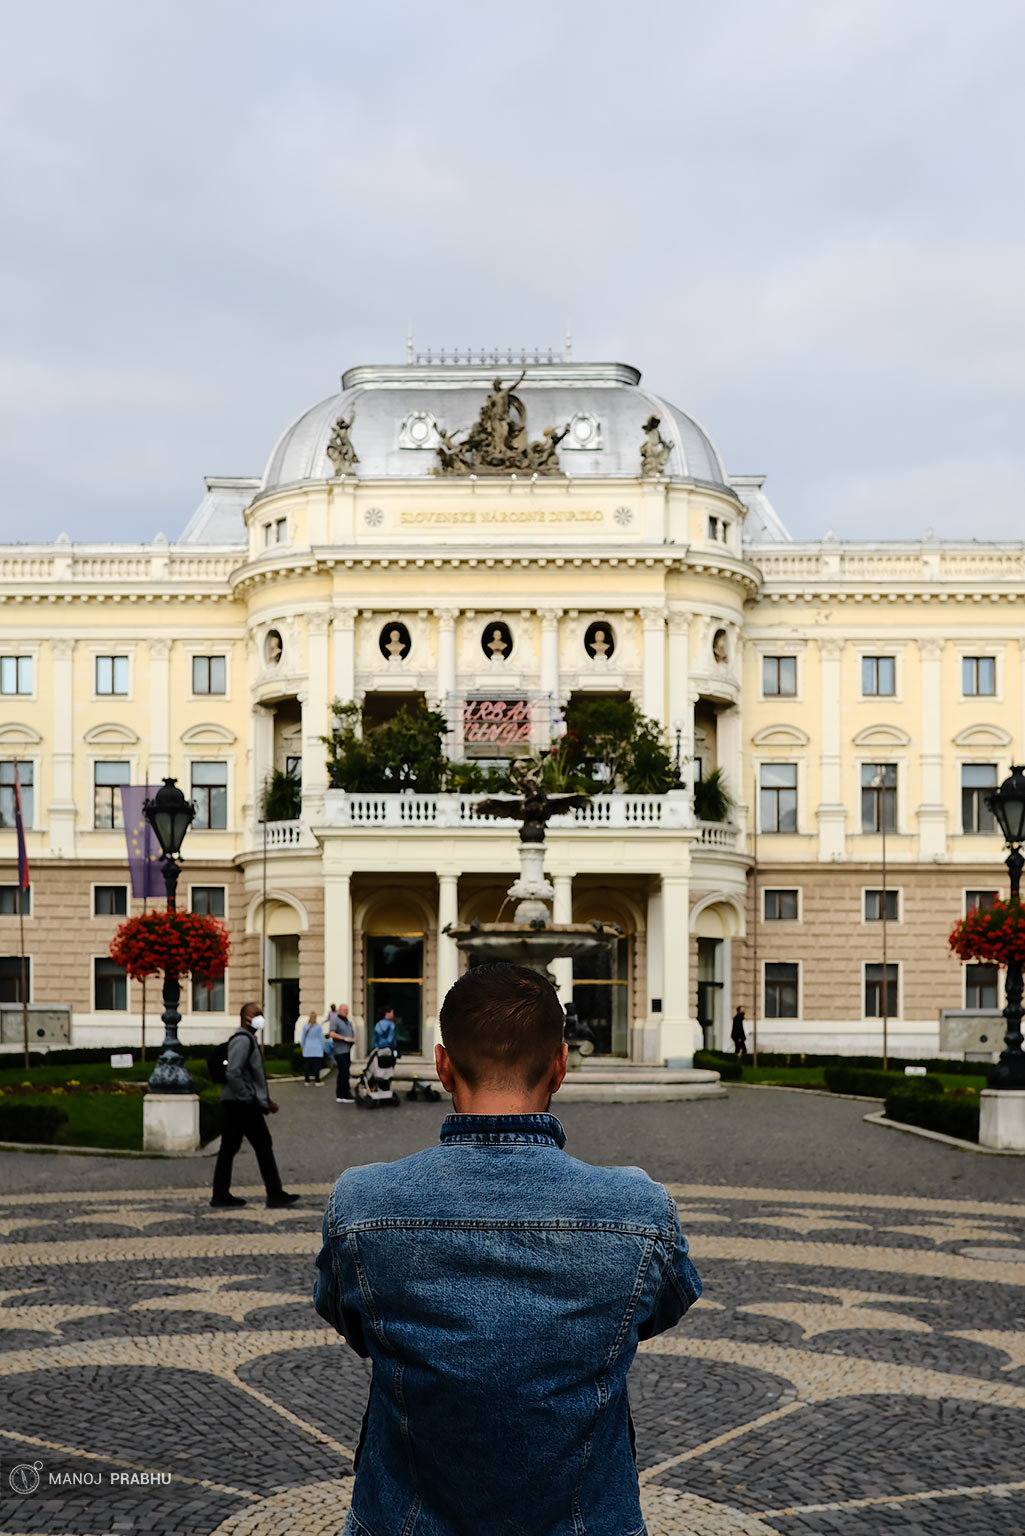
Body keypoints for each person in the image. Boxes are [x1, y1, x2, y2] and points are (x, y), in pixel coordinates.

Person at [314, 963, 700, 1535]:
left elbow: (351, 1320)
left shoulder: (361, 1205)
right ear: (561, 1065)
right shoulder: (638, 1211)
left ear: (442, 1066)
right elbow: (658, 1311)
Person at [211, 1002, 299, 1210]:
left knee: (229, 1148)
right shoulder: (243, 1041)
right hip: (242, 1105)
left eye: (261, 1013)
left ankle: (220, 1194)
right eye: (256, 1014)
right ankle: (274, 1193)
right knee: (262, 1145)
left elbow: (251, 1076)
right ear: (245, 1018)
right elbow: (234, 1072)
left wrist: (266, 1101)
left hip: (237, 1102)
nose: (260, 1017)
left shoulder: (248, 1040)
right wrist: (248, 1097)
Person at [327, 1002, 356, 1104]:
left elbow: (352, 1032)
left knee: (344, 1072)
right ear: (339, 1010)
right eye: (344, 1010)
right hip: (339, 1051)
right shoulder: (335, 1020)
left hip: (347, 1050)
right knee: (344, 1073)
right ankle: (344, 1094)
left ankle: (341, 1094)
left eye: (347, 1010)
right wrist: (344, 1038)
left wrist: (353, 1038)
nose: (346, 1012)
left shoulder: (348, 1021)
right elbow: (332, 1033)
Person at [301, 1010, 326, 1085]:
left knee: (307, 1065)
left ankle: (307, 1081)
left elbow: (303, 1038)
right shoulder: (318, 1027)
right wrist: (323, 1047)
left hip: (308, 1047)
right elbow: (321, 1038)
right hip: (317, 1047)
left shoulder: (305, 1026)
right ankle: (317, 1081)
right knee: (316, 1065)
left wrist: (302, 1046)